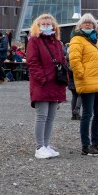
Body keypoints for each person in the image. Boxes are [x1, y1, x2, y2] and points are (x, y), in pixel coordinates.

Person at [68, 13, 98, 156]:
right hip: (87, 81)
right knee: (87, 114)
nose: (88, 25)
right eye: (85, 23)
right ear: (80, 25)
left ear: (94, 26)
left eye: (90, 23)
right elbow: (74, 60)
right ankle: (86, 145)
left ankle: (96, 143)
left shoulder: (97, 40)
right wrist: (81, 75)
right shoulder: (77, 40)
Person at [27, 13, 66, 159]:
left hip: (55, 83)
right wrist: (42, 78)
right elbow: (32, 62)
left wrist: (63, 77)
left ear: (54, 26)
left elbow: (62, 61)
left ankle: (46, 144)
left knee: (51, 116)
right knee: (42, 115)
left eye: (48, 23)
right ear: (37, 26)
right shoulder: (34, 41)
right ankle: (39, 147)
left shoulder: (56, 42)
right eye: (43, 24)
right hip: (42, 83)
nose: (46, 26)